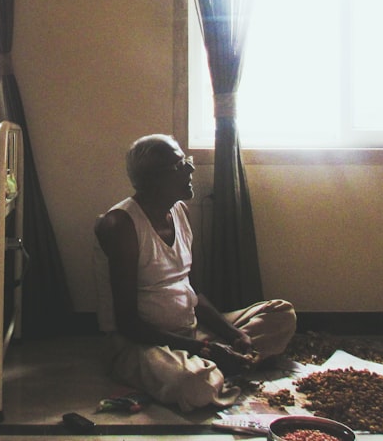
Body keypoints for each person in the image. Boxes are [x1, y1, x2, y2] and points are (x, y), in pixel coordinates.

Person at [93, 133, 296, 412]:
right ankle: (211, 366)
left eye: (186, 161)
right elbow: (127, 324)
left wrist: (233, 333)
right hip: (142, 345)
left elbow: (194, 292)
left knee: (281, 314)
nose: (190, 169)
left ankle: (216, 362)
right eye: (179, 166)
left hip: (192, 332)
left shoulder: (181, 212)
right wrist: (201, 349)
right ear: (152, 179)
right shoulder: (121, 225)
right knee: (195, 387)